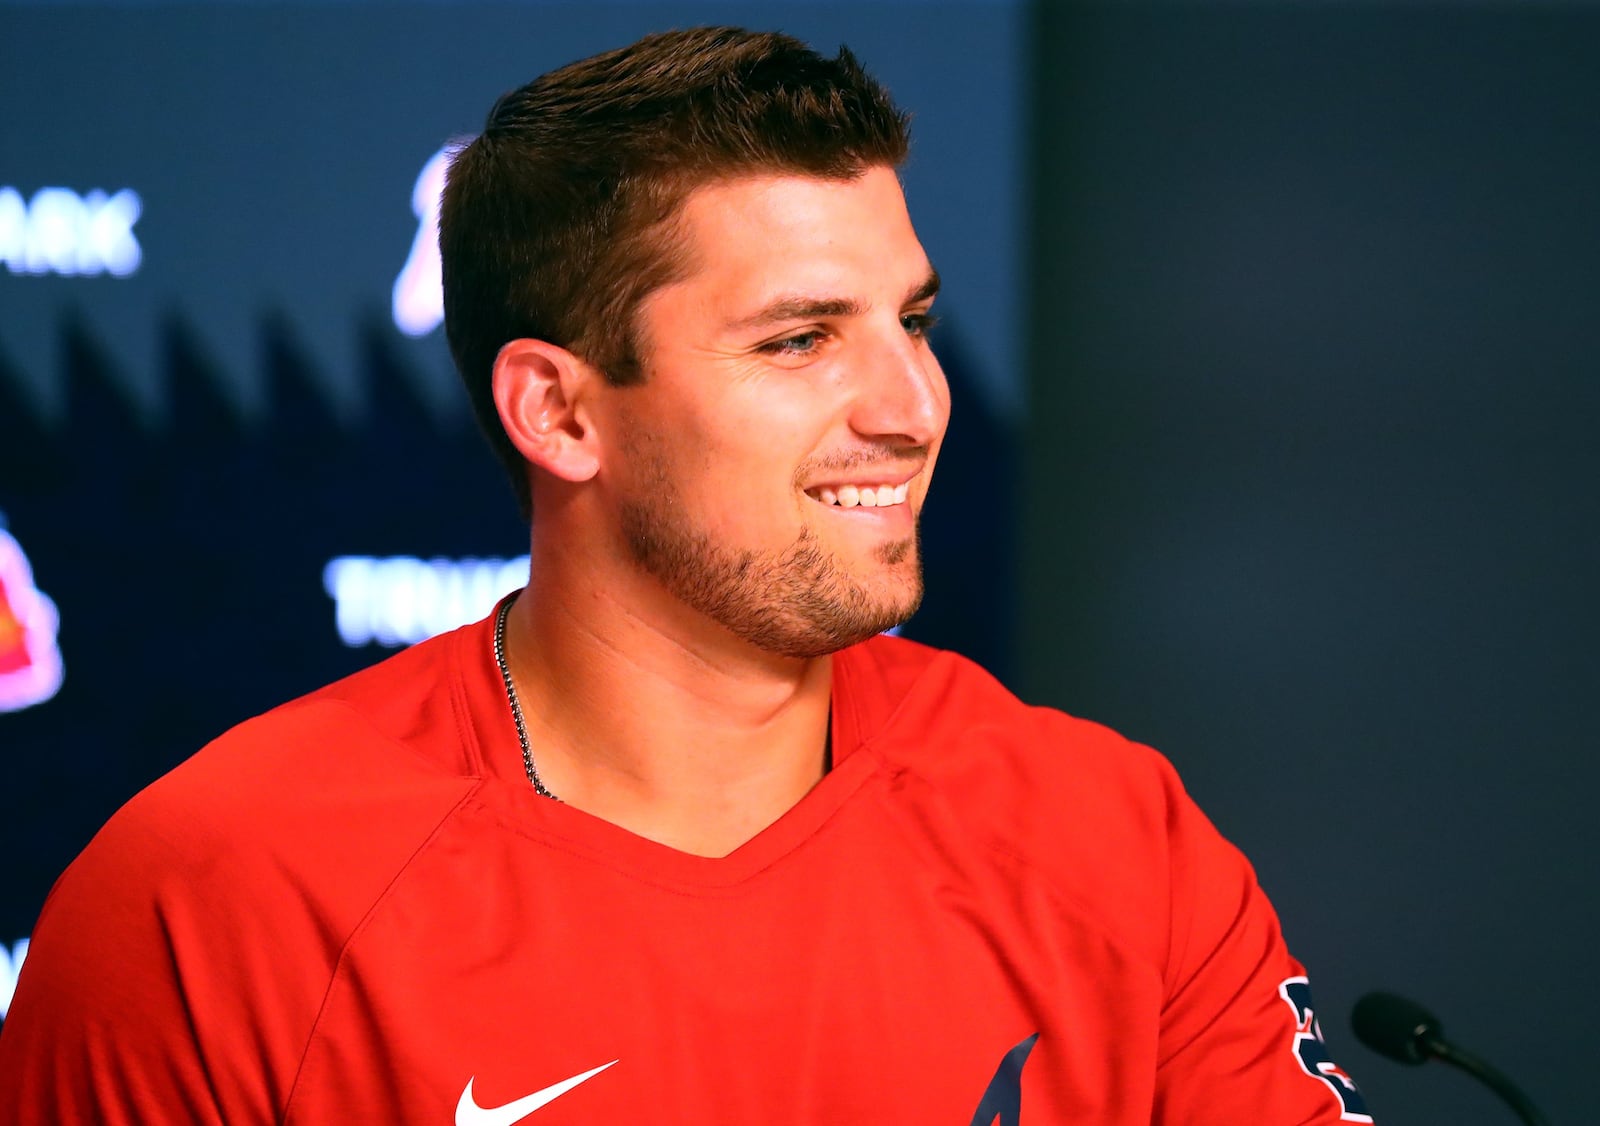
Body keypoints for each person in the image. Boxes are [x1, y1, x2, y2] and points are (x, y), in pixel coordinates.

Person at [0, 27, 1371, 1124]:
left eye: (913, 320)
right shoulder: (215, 900)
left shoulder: (1114, 840)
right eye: (798, 340)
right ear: (560, 412)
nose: (913, 403)